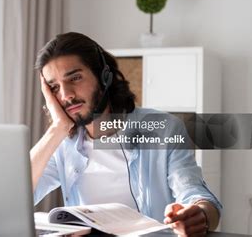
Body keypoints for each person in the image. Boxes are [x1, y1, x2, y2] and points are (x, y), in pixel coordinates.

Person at [30, 32, 222, 237]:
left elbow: (196, 194)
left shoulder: (163, 128)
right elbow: (15, 196)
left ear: (104, 76)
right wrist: (57, 127)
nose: (66, 94)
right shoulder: (63, 144)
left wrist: (198, 215)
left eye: (75, 78)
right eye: (54, 87)